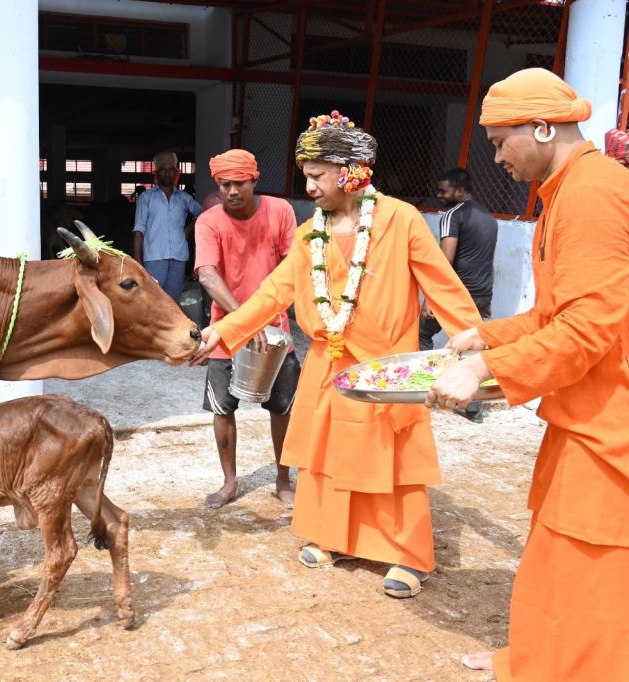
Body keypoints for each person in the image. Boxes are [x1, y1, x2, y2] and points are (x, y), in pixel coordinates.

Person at [191, 110, 482, 598]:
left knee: (395, 462)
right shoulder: (312, 233)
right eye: (306, 175)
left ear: (352, 171)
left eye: (317, 175)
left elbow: (444, 286)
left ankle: (409, 554)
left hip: (386, 367)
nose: (309, 186)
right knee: (328, 456)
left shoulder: (399, 219)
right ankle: (335, 536)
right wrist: (220, 334)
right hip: (329, 364)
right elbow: (271, 294)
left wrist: (473, 349)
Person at [426, 68, 629, 680]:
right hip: (585, 412)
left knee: (588, 559)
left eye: (498, 141)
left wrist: (485, 367)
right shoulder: (565, 189)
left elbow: (589, 328)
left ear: (543, 128)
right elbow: (550, 315)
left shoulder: (593, 192)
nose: (496, 158)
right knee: (555, 548)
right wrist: (482, 334)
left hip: (610, 413)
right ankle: (541, 660)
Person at [194, 149, 301, 509]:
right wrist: (244, 319)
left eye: (240, 182)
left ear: (254, 180)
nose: (232, 190)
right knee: (222, 410)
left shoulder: (281, 211)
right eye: (225, 184)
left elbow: (293, 267)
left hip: (275, 332)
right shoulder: (208, 222)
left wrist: (264, 316)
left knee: (282, 408)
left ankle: (283, 479)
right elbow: (207, 273)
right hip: (225, 332)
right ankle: (229, 481)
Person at [419, 167, 498, 423]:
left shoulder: (452, 215)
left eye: (444, 190)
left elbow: (444, 261)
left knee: (421, 333)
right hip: (481, 293)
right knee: (472, 346)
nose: (439, 196)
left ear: (460, 190)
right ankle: (473, 404)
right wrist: (488, 299)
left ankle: (425, 388)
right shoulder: (489, 217)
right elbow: (487, 259)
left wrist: (430, 298)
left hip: (458, 293)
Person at [133, 151, 202, 300]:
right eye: (163, 170)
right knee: (152, 300)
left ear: (176, 173)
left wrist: (188, 230)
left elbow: (203, 214)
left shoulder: (184, 198)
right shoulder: (147, 198)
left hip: (178, 256)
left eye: (171, 170)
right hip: (154, 258)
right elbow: (139, 228)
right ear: (156, 173)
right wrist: (137, 258)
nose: (167, 173)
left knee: (172, 301)